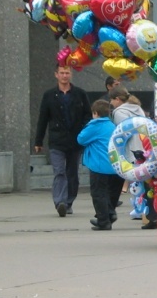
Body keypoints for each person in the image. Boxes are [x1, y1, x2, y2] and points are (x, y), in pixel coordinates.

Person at [34, 65, 92, 218]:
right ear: (56, 75)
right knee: (59, 171)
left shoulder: (80, 94)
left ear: (71, 75)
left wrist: (85, 135)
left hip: (75, 140)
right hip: (57, 141)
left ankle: (69, 201)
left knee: (72, 172)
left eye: (67, 73)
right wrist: (38, 141)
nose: (64, 76)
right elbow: (43, 119)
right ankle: (60, 202)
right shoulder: (49, 95)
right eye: (62, 73)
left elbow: (88, 116)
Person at [110, 86, 155, 228]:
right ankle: (150, 214)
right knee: (149, 184)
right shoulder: (138, 108)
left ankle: (143, 213)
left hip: (132, 151)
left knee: (137, 184)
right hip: (146, 148)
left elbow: (121, 133)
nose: (111, 103)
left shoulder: (118, 113)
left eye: (111, 100)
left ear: (117, 99)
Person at [78, 100, 121, 231]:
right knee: (109, 193)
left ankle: (103, 221)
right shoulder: (112, 126)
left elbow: (80, 139)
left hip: (99, 165)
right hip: (114, 165)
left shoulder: (94, 125)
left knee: (98, 193)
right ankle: (110, 213)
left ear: (95, 113)